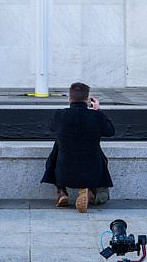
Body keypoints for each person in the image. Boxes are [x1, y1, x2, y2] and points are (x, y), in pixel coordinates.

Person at [41, 82, 115, 213]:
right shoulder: (96, 116)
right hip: (92, 174)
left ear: (69, 99)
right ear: (87, 100)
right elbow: (110, 131)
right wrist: (98, 111)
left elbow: (51, 128)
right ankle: (90, 193)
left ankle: (62, 191)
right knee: (104, 193)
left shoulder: (60, 115)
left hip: (63, 174)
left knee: (58, 144)